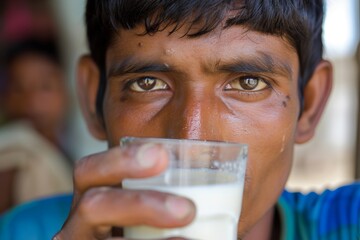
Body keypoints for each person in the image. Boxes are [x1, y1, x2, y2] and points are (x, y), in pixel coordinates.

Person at [1, 0, 359, 239]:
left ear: (309, 105)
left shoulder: (347, 223)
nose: (192, 139)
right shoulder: (27, 231)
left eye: (248, 83)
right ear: (94, 99)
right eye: (148, 83)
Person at [0, 38, 73, 213]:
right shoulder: (14, 150)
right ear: (4, 97)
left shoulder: (64, 150)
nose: (31, 101)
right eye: (18, 88)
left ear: (65, 92)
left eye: (45, 87)